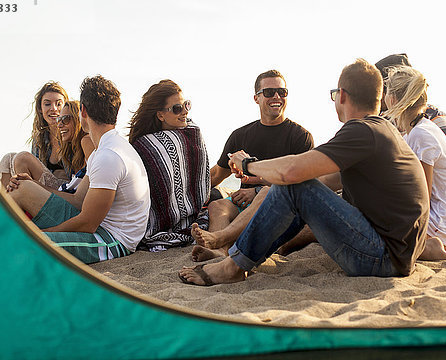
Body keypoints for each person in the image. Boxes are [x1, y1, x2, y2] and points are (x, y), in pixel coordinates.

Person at [179, 59, 429, 286]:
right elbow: (320, 180)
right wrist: (267, 181)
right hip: (396, 256)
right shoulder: (381, 130)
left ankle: (233, 266)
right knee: (295, 186)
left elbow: (292, 173)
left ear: (341, 95)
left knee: (295, 184)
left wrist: (247, 165)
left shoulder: (361, 131)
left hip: (382, 260)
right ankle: (237, 256)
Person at [7, 75, 151, 264]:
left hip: (110, 240)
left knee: (23, 244)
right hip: (96, 226)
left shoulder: (108, 156)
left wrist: (40, 233)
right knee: (20, 187)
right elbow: (82, 206)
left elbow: (87, 224)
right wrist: (32, 185)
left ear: (82, 111)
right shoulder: (108, 148)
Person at [189, 69, 314, 262]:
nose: (277, 97)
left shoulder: (300, 137)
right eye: (269, 92)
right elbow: (216, 174)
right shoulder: (240, 135)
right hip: (243, 207)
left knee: (305, 223)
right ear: (256, 98)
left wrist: (256, 191)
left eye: (282, 92)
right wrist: (189, 198)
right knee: (217, 206)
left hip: (284, 208)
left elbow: (302, 183)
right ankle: (220, 251)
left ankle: (275, 247)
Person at [383, 66, 446, 261]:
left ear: (393, 99)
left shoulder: (421, 134)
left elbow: (422, 196)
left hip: (439, 226)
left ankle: (428, 246)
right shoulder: (418, 130)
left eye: (386, 92)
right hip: (443, 221)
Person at [128, 80, 210, 251]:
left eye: (186, 105)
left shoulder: (193, 132)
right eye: (177, 108)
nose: (185, 112)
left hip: (194, 215)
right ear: (160, 115)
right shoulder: (144, 145)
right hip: (157, 221)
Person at [8, 101, 95, 195]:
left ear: (79, 118)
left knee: (22, 158)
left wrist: (32, 185)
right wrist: (32, 184)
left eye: (65, 119)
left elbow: (77, 199)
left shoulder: (87, 141)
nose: (59, 125)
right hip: (64, 195)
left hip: (68, 203)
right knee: (10, 160)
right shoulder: (72, 147)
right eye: (59, 120)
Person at [0, 81, 70, 189]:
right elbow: (34, 170)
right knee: (8, 158)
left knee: (22, 158)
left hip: (66, 188)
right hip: (42, 185)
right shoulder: (40, 138)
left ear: (66, 107)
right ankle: (8, 201)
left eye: (59, 104)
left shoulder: (71, 133)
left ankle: (23, 195)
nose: (53, 108)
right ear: (40, 109)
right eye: (47, 104)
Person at [375, 54, 446, 137]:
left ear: (391, 96)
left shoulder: (435, 119)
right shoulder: (382, 120)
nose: (376, 97)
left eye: (378, 90)